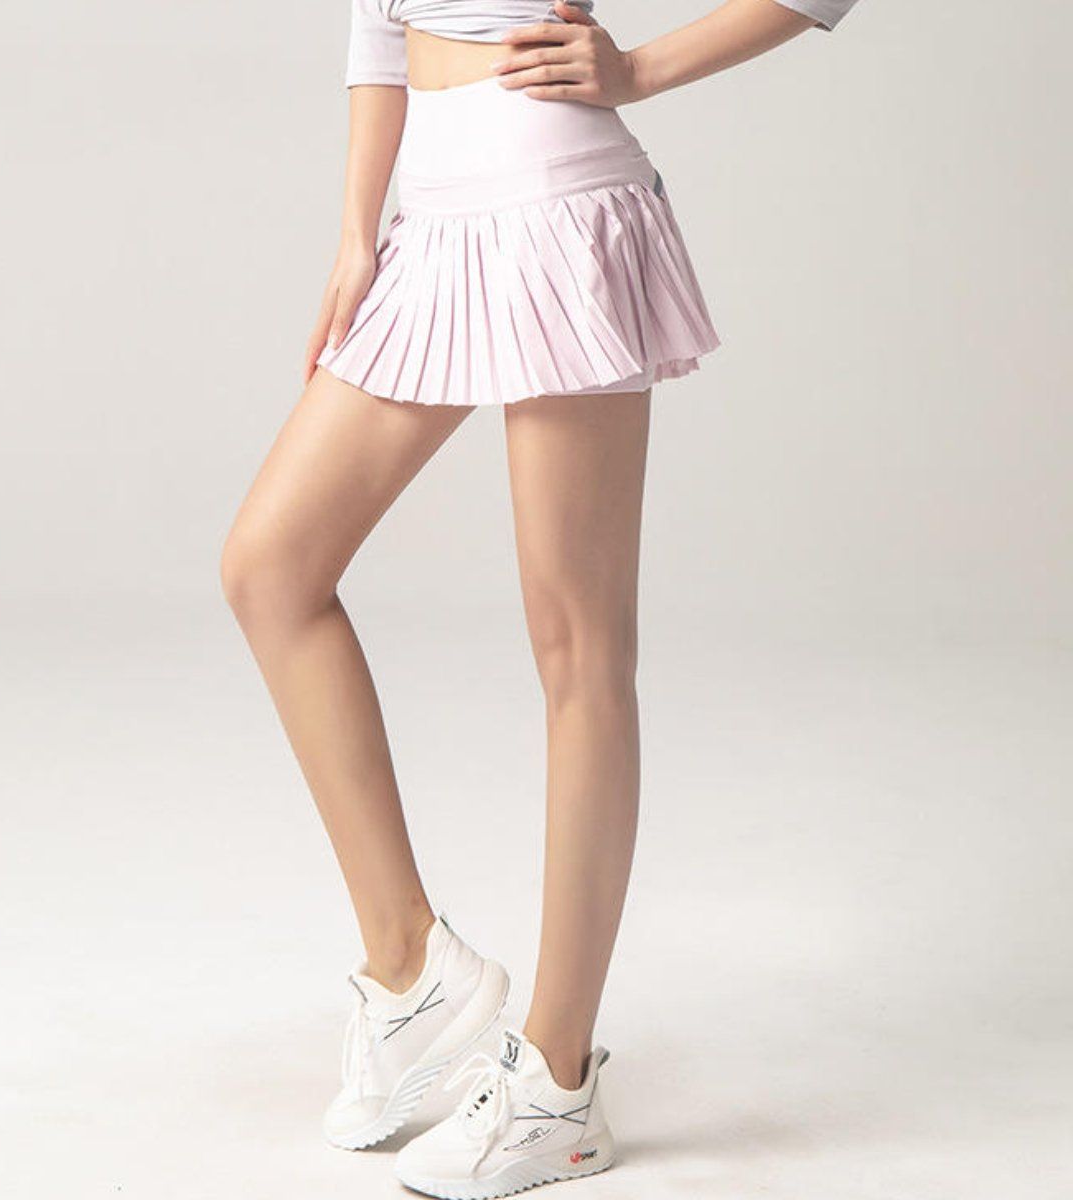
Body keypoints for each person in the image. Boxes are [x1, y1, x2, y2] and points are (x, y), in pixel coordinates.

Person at [221, 1, 859, 1195]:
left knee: (578, 650)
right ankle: (412, 973)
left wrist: (641, 69)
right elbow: (378, 25)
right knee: (271, 568)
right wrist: (356, 233)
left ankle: (557, 1085)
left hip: (556, 201)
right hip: (431, 215)